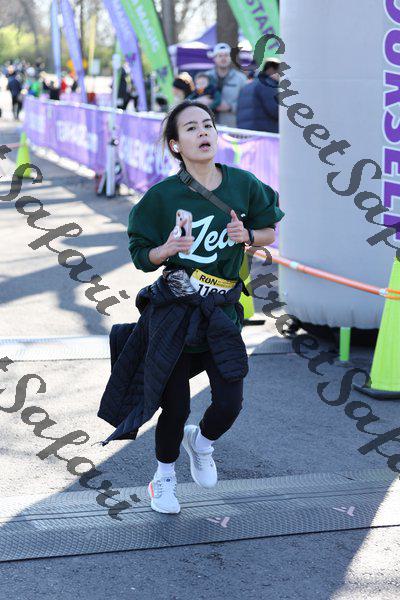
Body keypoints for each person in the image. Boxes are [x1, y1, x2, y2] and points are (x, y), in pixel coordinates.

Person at [126, 100, 284, 514]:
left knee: (230, 402)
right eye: (192, 128)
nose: (203, 133)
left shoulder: (243, 184)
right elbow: (140, 254)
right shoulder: (162, 197)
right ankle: (163, 478)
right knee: (175, 404)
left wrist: (248, 235)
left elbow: (269, 231)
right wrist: (165, 249)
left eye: (208, 125)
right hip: (175, 311)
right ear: (176, 145)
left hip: (221, 312)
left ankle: (202, 442)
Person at [204, 42, 248, 128]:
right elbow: (196, 97)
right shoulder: (205, 77)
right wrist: (204, 101)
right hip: (208, 126)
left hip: (232, 127)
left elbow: (247, 103)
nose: (223, 58)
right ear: (214, 58)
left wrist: (230, 107)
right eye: (220, 56)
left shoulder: (241, 78)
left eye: (226, 55)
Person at [237, 57, 280, 133]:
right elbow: (275, 111)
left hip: (246, 133)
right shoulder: (268, 85)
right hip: (263, 134)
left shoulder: (247, 86)